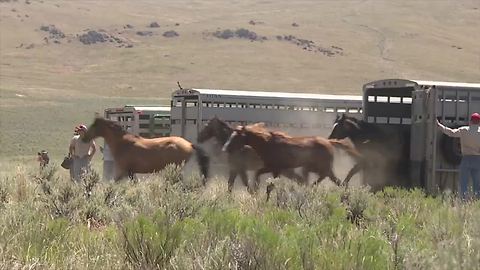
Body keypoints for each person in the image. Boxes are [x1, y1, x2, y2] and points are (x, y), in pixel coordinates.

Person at [437, 112, 480, 200]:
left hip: (466, 159)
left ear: (470, 121)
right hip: (478, 160)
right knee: (477, 183)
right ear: (479, 122)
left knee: (464, 182)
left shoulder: (464, 130)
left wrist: (440, 126)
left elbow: (451, 133)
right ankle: (477, 201)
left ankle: (463, 201)